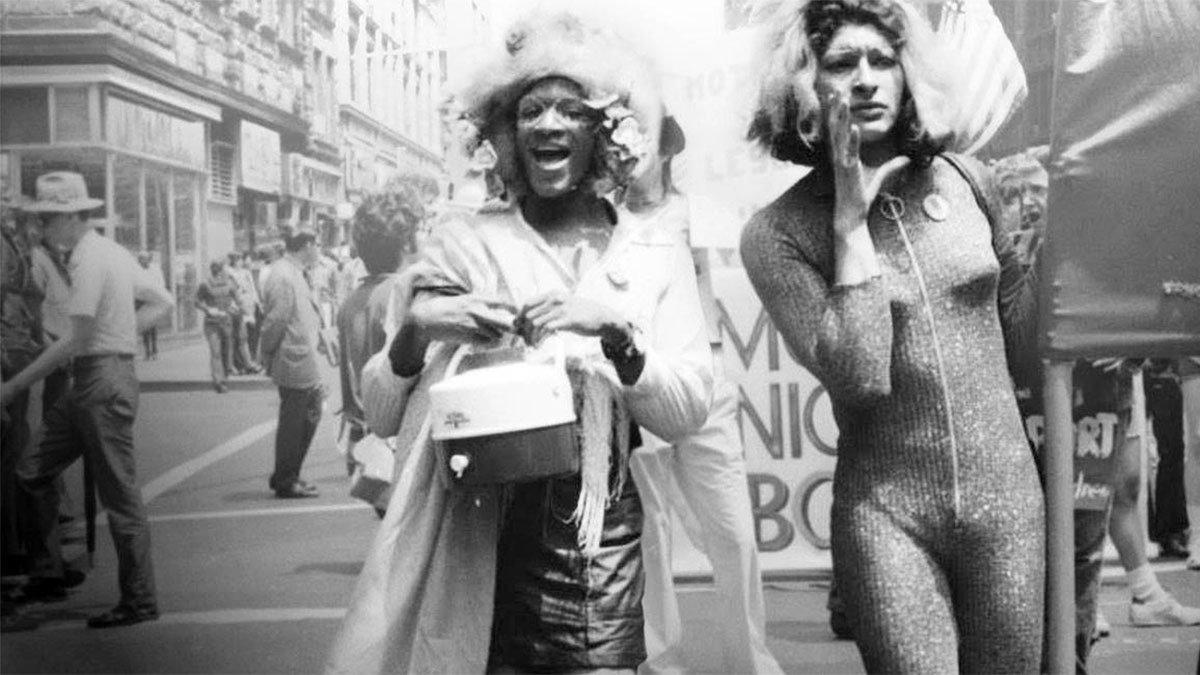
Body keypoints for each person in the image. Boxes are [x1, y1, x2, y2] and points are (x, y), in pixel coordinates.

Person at [327, 9, 713, 673]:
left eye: (571, 109)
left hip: (598, 534)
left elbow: (685, 412)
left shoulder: (650, 249)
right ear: (506, 131)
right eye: (532, 109)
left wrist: (618, 338)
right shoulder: (461, 242)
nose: (548, 125)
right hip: (478, 532)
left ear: (604, 131)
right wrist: (418, 332)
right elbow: (382, 409)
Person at [741, 1, 1042, 670]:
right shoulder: (780, 232)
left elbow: (1023, 343)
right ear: (803, 86)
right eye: (843, 63)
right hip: (887, 517)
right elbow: (861, 374)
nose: (868, 78)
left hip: (1010, 505)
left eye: (884, 60)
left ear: (910, 76)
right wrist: (850, 222)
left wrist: (1041, 245)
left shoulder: (968, 180)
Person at [627, 118, 782, 675]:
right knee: (650, 533)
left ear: (668, 147)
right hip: (639, 381)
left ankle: (752, 664)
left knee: (734, 534)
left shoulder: (696, 210)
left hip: (705, 376)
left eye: (644, 138)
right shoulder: (606, 219)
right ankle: (661, 663)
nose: (632, 150)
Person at [2, 171, 174, 628]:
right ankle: (49, 571)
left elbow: (75, 339)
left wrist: (15, 385)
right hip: (98, 378)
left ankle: (138, 599)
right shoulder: (109, 252)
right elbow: (162, 301)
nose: (43, 228)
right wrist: (120, 334)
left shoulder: (88, 260)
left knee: (119, 495)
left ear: (73, 216)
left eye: (50, 218)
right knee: (30, 472)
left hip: (99, 380)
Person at [335, 181, 424, 513]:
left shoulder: (351, 302)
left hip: (366, 442)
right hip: (395, 442)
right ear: (406, 243)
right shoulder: (399, 295)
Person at [260, 231, 327, 499]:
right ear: (307, 246)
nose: (319, 250)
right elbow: (275, 320)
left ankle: (289, 474)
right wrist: (266, 353)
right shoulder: (283, 275)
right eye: (317, 245)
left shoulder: (294, 271)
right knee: (294, 422)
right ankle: (286, 480)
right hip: (293, 359)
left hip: (305, 358)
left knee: (308, 418)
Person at [195, 260, 240, 394]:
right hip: (212, 322)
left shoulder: (229, 282)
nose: (218, 271)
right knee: (215, 351)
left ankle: (224, 377)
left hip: (226, 321)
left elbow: (237, 298)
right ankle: (218, 381)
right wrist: (207, 309)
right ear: (211, 269)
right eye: (215, 268)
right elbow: (196, 301)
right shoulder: (205, 284)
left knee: (226, 351)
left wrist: (236, 307)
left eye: (219, 268)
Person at [226, 252, 262, 375]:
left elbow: (251, 288)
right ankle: (235, 365)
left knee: (244, 337)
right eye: (238, 259)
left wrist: (255, 302)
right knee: (233, 339)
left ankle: (247, 363)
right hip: (234, 309)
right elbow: (233, 293)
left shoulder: (245, 272)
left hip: (245, 306)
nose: (241, 261)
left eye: (240, 259)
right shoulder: (228, 273)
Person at [135, 251, 162, 360]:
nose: (142, 261)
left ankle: (155, 350)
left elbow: (160, 283)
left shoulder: (155, 270)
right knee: (145, 325)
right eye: (140, 259)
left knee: (153, 325)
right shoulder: (137, 270)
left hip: (153, 298)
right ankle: (147, 351)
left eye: (144, 259)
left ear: (148, 260)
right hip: (142, 299)